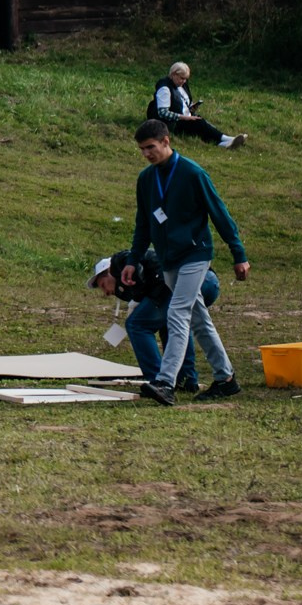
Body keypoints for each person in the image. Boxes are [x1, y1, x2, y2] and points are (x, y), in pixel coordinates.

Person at [122, 120, 248, 404]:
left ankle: (166, 382)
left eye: (151, 147)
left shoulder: (192, 173)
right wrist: (133, 260)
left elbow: (220, 214)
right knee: (199, 320)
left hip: (196, 254)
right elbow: (143, 224)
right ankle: (225, 378)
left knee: (176, 313)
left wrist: (238, 254)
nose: (146, 154)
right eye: (142, 149)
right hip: (168, 259)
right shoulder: (146, 179)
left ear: (166, 141)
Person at [92, 248, 217, 392]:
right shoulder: (125, 287)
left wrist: (138, 298)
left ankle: (159, 380)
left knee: (136, 325)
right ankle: (186, 379)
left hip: (186, 280)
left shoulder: (118, 263)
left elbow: (136, 266)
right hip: (208, 280)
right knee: (173, 323)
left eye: (103, 285)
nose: (106, 292)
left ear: (108, 271)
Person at [147, 62, 245, 149]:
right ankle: (226, 139)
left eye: (185, 79)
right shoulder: (164, 89)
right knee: (199, 123)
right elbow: (163, 113)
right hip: (171, 123)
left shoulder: (182, 85)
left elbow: (182, 103)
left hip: (184, 117)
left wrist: (191, 108)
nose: (184, 81)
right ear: (173, 74)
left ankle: (223, 144)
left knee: (200, 126)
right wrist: (184, 117)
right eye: (182, 78)